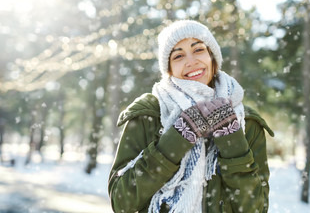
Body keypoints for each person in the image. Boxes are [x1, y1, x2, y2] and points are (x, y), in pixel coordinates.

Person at [108, 20, 274, 213]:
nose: (191, 61)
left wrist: (232, 141)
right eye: (178, 56)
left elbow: (256, 209)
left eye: (198, 50)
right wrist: (176, 139)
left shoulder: (246, 122)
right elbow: (122, 202)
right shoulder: (150, 115)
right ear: (169, 69)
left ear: (212, 57)